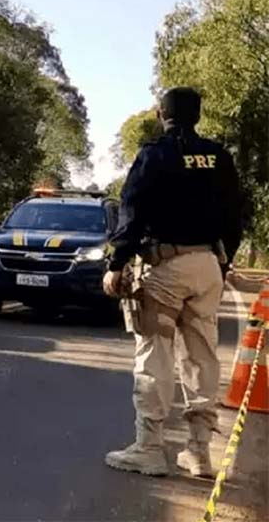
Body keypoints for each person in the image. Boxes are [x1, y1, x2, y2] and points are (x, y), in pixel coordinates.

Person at [102, 87, 242, 478]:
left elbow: (131, 209)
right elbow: (235, 216)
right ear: (197, 115)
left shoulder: (155, 155)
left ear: (162, 113)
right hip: (208, 266)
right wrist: (222, 261)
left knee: (155, 356)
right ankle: (199, 453)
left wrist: (117, 262)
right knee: (201, 358)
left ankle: (149, 448)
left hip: (166, 268)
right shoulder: (219, 157)